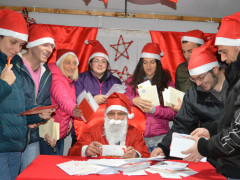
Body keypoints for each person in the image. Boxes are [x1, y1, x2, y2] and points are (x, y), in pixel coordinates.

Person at [181, 12, 240, 180]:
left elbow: (237, 135)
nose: (222, 58)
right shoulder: (235, 76)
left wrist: (204, 147)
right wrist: (211, 129)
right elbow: (232, 120)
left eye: (223, 51)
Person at [150, 45, 227, 166]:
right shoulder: (193, 94)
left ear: (215, 70)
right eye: (194, 79)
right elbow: (182, 124)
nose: (198, 84)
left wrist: (210, 131)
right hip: (210, 156)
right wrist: (163, 148)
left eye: (201, 78)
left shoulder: (235, 86)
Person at [0, 9, 53, 180]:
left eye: (21, 45)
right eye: (13, 42)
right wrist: (3, 83)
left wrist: (36, 115)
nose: (17, 49)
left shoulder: (13, 65)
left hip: (15, 145)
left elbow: (14, 110)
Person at [125, 42, 176, 153]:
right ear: (141, 64)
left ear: (158, 63)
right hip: (137, 138)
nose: (148, 67)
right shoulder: (131, 82)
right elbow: (121, 101)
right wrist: (133, 100)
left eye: (152, 62)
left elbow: (173, 113)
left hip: (160, 138)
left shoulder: (167, 83)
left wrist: (155, 110)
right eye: (145, 63)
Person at [68, 92, 150, 158]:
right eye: (111, 114)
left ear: (126, 116)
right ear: (106, 115)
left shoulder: (135, 133)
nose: (116, 118)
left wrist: (136, 155)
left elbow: (146, 155)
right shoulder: (93, 131)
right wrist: (85, 150)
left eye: (120, 114)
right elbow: (72, 153)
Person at [20, 24, 55, 172]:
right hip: (10, 136)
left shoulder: (47, 73)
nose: (49, 50)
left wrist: (48, 130)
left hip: (33, 138)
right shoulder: (13, 65)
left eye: (52, 46)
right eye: (45, 44)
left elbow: (45, 104)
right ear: (32, 44)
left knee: (31, 175)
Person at [73, 40, 121, 144]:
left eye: (103, 61)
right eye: (96, 61)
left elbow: (121, 106)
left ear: (107, 65)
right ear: (90, 63)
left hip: (109, 133)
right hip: (84, 131)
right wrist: (93, 100)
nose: (100, 64)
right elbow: (74, 103)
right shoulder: (80, 79)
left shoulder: (116, 81)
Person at [40, 49, 82, 155]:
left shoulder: (68, 81)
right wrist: (74, 110)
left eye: (74, 63)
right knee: (51, 169)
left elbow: (63, 106)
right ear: (60, 63)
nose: (71, 67)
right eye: (67, 63)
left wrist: (70, 121)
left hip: (59, 133)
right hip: (50, 136)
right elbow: (64, 101)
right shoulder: (57, 80)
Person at [173, 30, 205, 112]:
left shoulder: (213, 68)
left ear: (201, 48)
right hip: (187, 119)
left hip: (208, 120)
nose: (186, 56)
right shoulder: (180, 69)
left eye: (190, 51)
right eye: (183, 51)